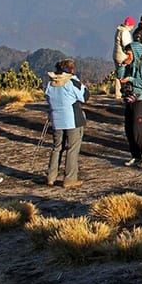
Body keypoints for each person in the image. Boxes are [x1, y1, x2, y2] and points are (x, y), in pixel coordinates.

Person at [44, 59, 89, 188]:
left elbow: (47, 97)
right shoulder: (71, 82)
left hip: (56, 120)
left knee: (57, 147)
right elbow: (84, 97)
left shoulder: (51, 83)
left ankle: (51, 177)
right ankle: (70, 179)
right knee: (72, 149)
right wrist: (79, 82)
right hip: (72, 120)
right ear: (71, 70)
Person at [119, 41, 142, 168]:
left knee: (138, 130)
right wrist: (122, 66)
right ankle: (135, 155)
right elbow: (120, 77)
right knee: (129, 129)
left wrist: (131, 79)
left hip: (140, 99)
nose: (127, 57)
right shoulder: (129, 65)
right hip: (130, 98)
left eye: (129, 54)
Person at [113, 16, 135, 99]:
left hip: (116, 54)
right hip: (122, 56)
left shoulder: (119, 30)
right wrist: (130, 55)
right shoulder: (125, 32)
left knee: (118, 74)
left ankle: (118, 93)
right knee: (123, 75)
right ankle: (122, 93)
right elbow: (127, 45)